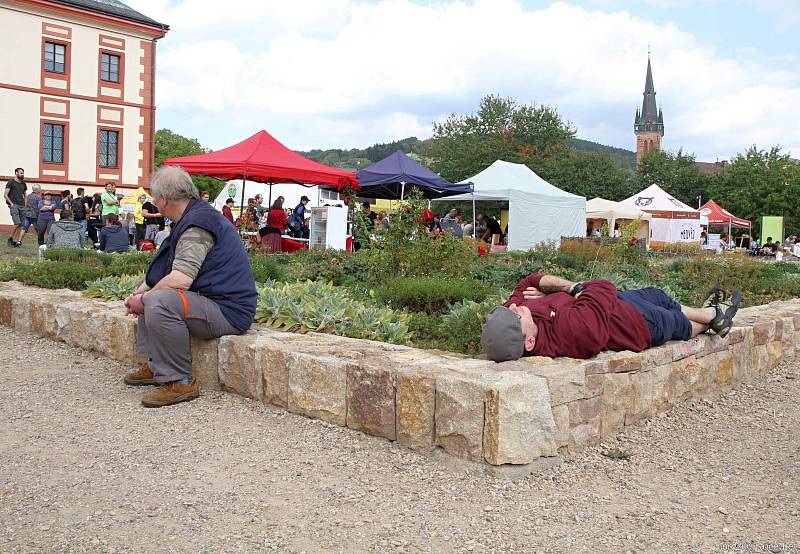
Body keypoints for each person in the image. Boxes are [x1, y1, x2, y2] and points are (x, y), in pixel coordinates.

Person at [121, 166, 257, 407]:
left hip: (229, 311)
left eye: (154, 196)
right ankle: (156, 366)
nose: (153, 201)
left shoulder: (197, 224)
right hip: (211, 301)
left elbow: (181, 279)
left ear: (163, 199)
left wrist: (144, 299)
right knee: (152, 295)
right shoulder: (190, 217)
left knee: (158, 300)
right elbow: (162, 272)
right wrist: (137, 294)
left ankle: (180, 381)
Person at [481, 273, 741, 362]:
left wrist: (572, 291)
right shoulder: (571, 333)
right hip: (637, 324)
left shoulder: (517, 312)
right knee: (679, 325)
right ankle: (712, 317)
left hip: (622, 303)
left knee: (659, 294)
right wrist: (572, 288)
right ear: (528, 343)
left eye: (508, 309)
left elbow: (529, 280)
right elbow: (604, 286)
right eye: (514, 317)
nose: (514, 308)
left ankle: (712, 315)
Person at [5, 167, 27, 247]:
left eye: (23, 173)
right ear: (16, 173)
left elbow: (25, 195)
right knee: (17, 222)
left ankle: (15, 242)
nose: (22, 174)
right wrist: (11, 204)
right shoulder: (11, 182)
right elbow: (5, 195)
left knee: (20, 225)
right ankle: (10, 238)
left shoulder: (23, 184)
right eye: (21, 173)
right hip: (14, 205)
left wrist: (25, 205)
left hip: (22, 206)